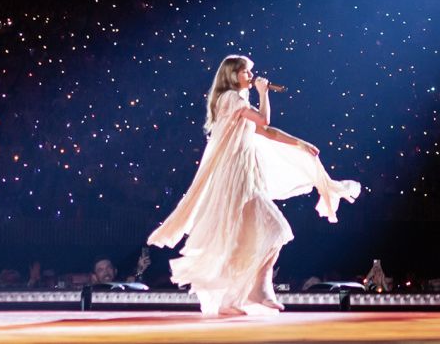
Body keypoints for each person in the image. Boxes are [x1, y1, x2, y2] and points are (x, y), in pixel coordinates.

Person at [147, 54, 360, 317]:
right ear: (233, 75)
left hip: (246, 177)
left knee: (259, 234)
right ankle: (240, 295)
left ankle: (253, 290)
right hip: (234, 179)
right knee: (264, 231)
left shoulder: (237, 102)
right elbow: (265, 120)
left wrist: (299, 143)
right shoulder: (231, 99)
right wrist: (263, 93)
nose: (252, 76)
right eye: (247, 72)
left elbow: (266, 132)